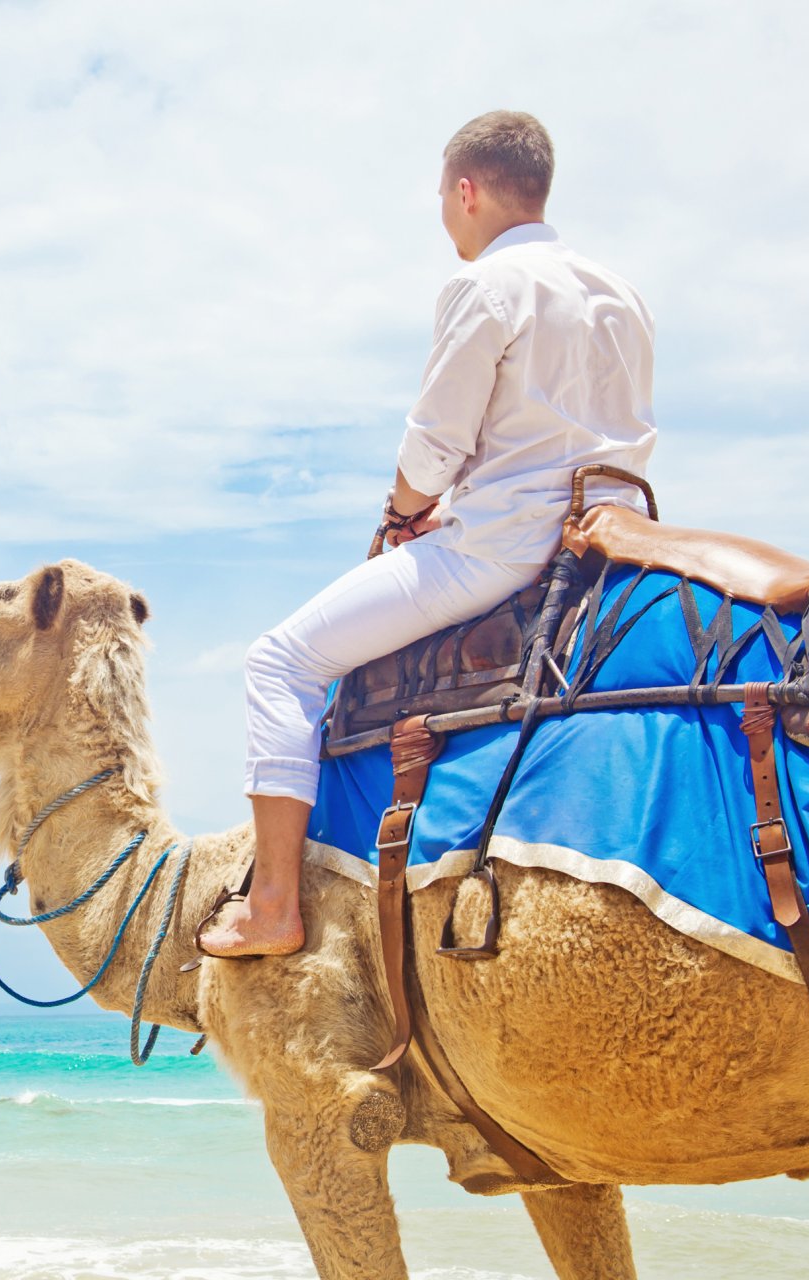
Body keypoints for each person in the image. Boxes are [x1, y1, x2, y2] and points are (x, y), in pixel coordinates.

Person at [199, 111, 656, 957]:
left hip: (505, 549)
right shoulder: (619, 293)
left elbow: (435, 447)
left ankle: (271, 907)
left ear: (467, 190)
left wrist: (406, 511)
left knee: (279, 660)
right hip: (611, 535)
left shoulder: (486, 287)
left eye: (444, 197)